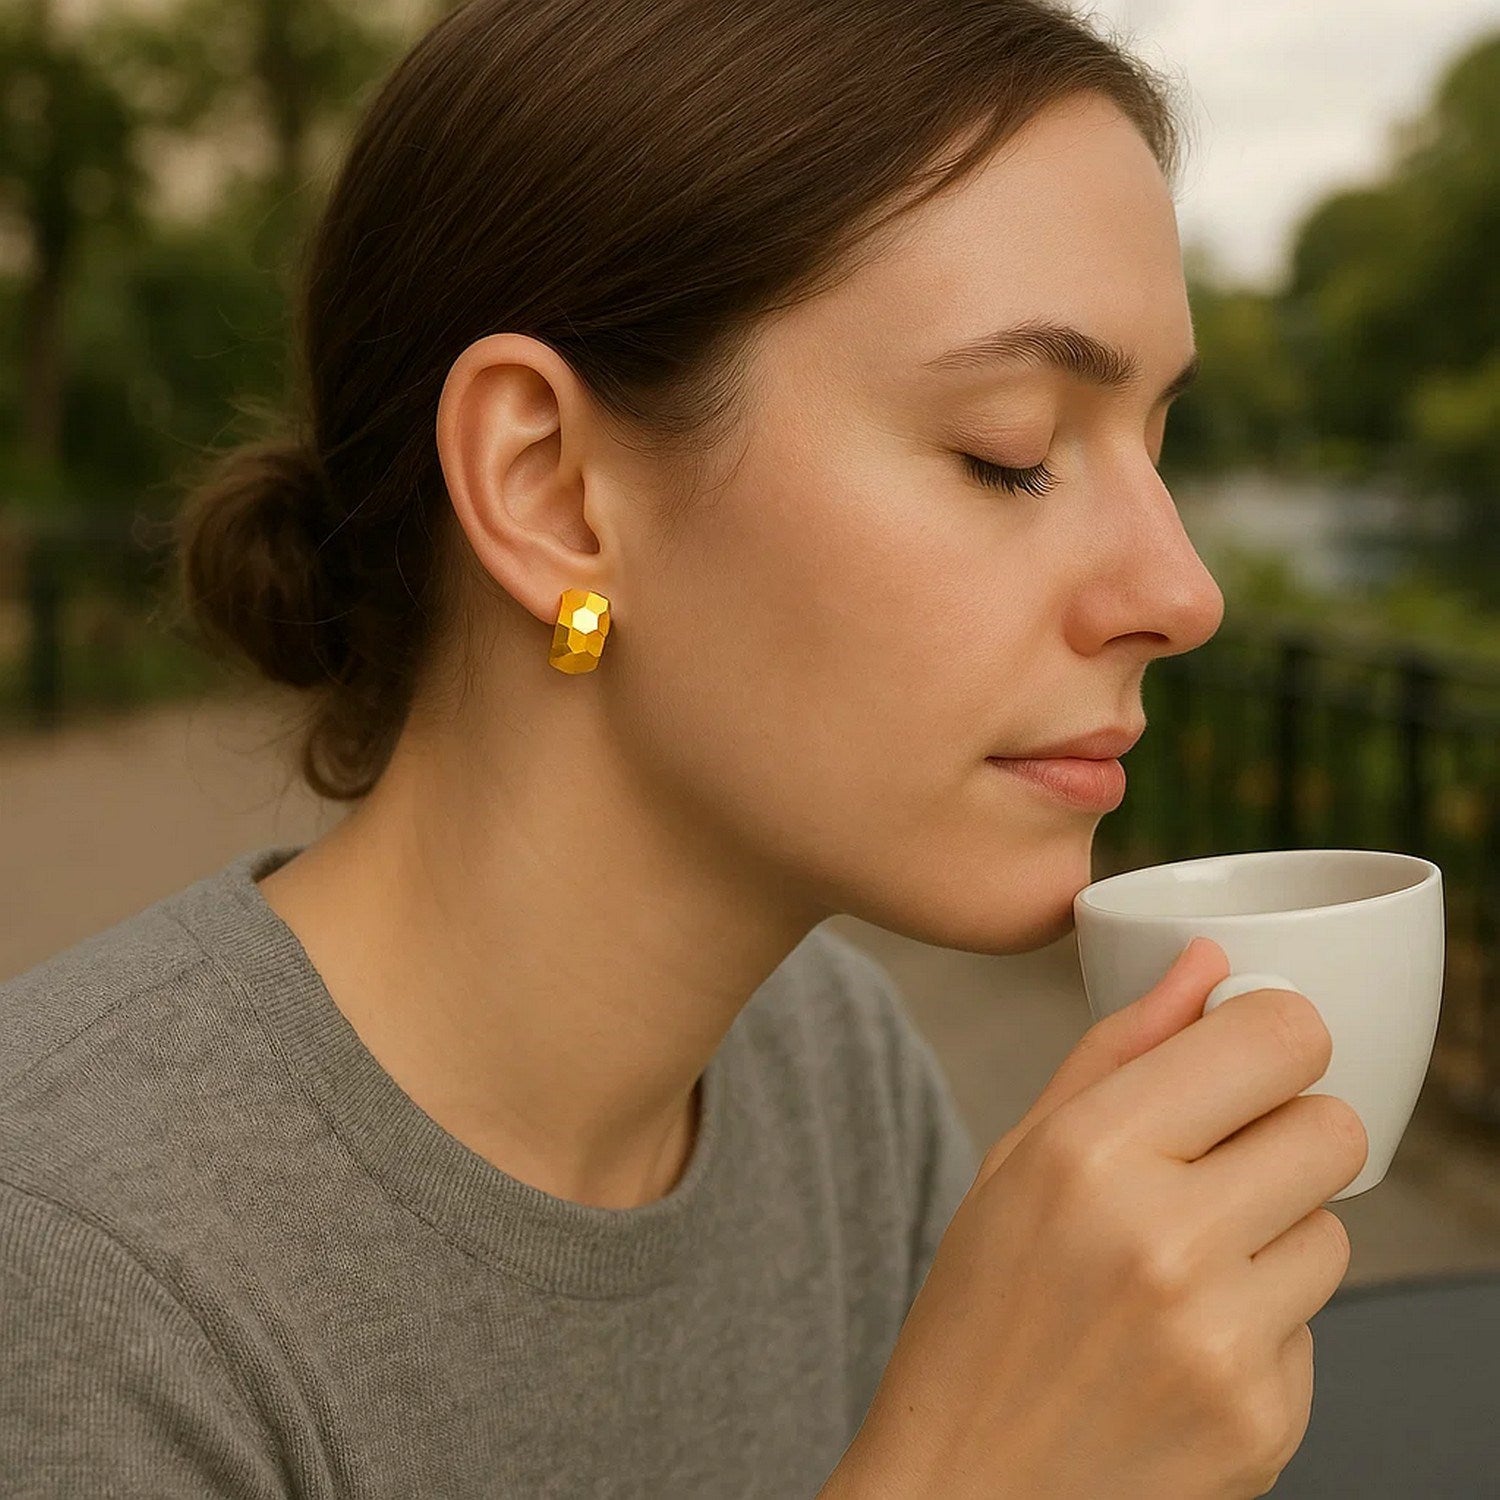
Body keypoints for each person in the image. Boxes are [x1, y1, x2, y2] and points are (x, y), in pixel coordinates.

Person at [0, 0, 1226, 1494]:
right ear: (552, 493)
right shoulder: (70, 1269)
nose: (1183, 592)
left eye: (1157, 447)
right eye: (1013, 451)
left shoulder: (833, 1080)